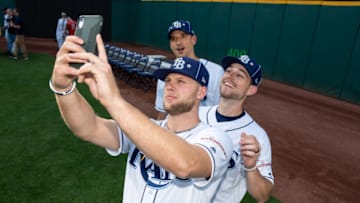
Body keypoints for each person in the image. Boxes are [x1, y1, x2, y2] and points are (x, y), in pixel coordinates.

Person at [49, 35, 233, 202]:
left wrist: (113, 100)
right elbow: (88, 128)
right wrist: (62, 88)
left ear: (201, 92)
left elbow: (186, 164)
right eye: (168, 80)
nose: (170, 86)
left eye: (181, 81)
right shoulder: (144, 129)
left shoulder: (217, 139)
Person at [199, 55, 274, 203]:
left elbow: (262, 196)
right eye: (228, 71)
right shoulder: (195, 114)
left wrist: (251, 167)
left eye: (240, 75)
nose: (231, 76)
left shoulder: (257, 136)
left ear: (251, 90)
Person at [155, 20, 224, 119]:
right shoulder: (166, 73)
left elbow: (221, 111)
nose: (178, 43)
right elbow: (162, 112)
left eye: (183, 36)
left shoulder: (215, 72)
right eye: (173, 39)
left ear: (194, 39)